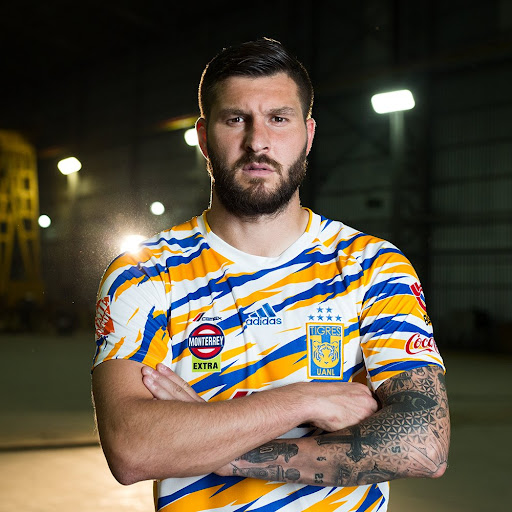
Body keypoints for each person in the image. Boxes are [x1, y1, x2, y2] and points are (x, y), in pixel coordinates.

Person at [92, 38, 450, 512]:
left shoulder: (373, 266)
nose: (257, 141)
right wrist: (302, 400)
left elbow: (423, 445)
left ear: (308, 134)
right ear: (204, 137)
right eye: (235, 119)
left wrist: (218, 449)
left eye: (278, 119)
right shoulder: (144, 274)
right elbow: (132, 449)